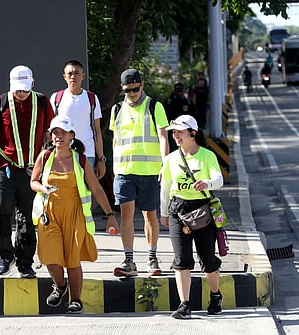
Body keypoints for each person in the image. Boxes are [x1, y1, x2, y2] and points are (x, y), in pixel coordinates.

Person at [30, 115, 119, 313]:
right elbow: (33, 181)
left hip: (74, 215)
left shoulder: (79, 159)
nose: (58, 136)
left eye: (63, 132)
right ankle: (60, 286)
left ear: (72, 135)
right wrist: (43, 188)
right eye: (55, 132)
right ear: (51, 136)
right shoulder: (44, 156)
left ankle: (76, 299)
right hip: (49, 214)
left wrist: (110, 215)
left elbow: (95, 188)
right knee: (50, 257)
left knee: (72, 259)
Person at [0, 65, 55, 278]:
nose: (21, 93)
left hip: (32, 171)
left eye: (24, 88)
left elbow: (50, 136)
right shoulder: (0, 103)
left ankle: (25, 262)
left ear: (32, 83)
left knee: (27, 219)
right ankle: (5, 255)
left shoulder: (41, 102)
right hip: (5, 169)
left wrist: (49, 166)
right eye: (17, 89)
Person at [160, 114, 224, 319]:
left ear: (192, 133)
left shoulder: (207, 156)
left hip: (202, 211)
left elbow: (219, 179)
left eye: (180, 132)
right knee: (181, 259)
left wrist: (207, 184)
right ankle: (184, 304)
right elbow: (166, 187)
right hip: (177, 211)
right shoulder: (170, 159)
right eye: (174, 132)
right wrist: (163, 212)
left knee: (207, 258)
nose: (176, 135)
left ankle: (215, 296)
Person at [109, 68, 169, 277]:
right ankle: (128, 260)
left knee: (149, 214)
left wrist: (165, 164)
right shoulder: (117, 109)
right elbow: (116, 140)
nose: (132, 93)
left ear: (142, 85)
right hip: (124, 171)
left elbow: (163, 137)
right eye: (128, 90)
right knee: (126, 215)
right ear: (123, 90)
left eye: (135, 89)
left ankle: (152, 258)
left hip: (150, 171)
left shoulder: (154, 106)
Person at [50, 60, 106, 179]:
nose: (73, 77)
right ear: (64, 76)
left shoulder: (92, 98)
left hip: (87, 153)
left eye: (76, 73)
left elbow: (97, 131)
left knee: (86, 191)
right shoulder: (56, 98)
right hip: (62, 153)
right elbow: (50, 130)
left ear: (83, 76)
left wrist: (101, 159)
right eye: (69, 73)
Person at [164, 82, 195, 152]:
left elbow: (192, 115)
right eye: (177, 91)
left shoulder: (187, 102)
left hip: (185, 130)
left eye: (181, 91)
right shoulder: (169, 102)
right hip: (173, 130)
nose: (179, 93)